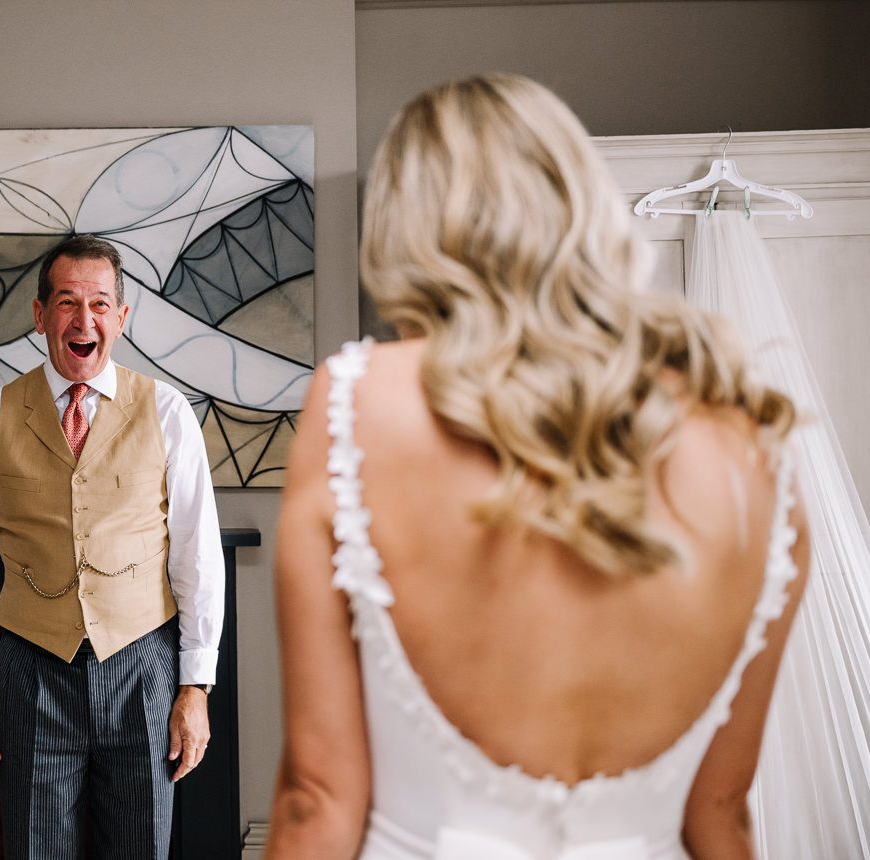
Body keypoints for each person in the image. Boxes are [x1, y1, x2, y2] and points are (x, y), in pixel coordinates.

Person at [267, 74, 811, 860]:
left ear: (404, 230)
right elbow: (721, 815)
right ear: (583, 208)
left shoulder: (359, 404)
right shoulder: (749, 449)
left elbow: (316, 804)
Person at [0, 234, 225, 860]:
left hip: (144, 667)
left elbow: (198, 556)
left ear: (120, 318)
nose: (83, 319)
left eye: (99, 304)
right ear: (40, 316)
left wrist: (195, 687)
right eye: (66, 302)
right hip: (32, 669)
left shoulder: (168, 413)